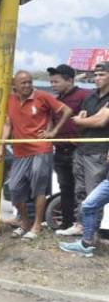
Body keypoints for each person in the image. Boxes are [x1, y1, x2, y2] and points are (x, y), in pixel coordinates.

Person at [0, 70, 68, 239]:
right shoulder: (10, 100)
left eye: (29, 82)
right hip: (20, 151)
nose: (27, 85)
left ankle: (37, 224)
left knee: (39, 188)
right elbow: (8, 124)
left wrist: (53, 132)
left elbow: (66, 111)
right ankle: (24, 221)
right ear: (15, 84)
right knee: (14, 187)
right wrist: (1, 147)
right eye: (23, 83)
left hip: (41, 149)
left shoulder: (43, 96)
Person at [60, 62, 109, 251]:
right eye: (95, 75)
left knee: (93, 195)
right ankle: (81, 227)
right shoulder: (91, 97)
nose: (97, 78)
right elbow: (80, 123)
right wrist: (84, 121)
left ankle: (92, 236)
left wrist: (84, 120)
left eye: (102, 74)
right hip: (82, 148)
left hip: (99, 151)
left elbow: (101, 120)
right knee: (80, 191)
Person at [48, 65, 91, 235]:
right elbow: (51, 122)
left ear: (70, 80)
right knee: (65, 188)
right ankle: (66, 225)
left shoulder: (85, 96)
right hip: (60, 151)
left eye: (56, 81)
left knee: (82, 190)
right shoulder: (56, 100)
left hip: (79, 152)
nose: (53, 84)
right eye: (51, 81)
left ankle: (83, 227)